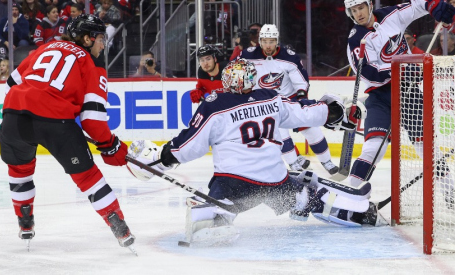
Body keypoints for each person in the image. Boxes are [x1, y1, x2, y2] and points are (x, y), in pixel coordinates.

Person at [126, 59, 380, 245]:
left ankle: (212, 216)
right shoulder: (270, 97)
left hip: (234, 182)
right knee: (307, 197)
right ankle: (361, 213)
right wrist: (337, 111)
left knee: (222, 201)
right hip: (273, 180)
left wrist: (160, 160)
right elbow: (305, 111)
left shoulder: (216, 105)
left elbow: (188, 146)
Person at [0, 14, 135, 252]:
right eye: (100, 38)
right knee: (88, 177)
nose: (103, 44)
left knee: (19, 170)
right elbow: (92, 120)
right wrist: (110, 145)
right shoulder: (93, 65)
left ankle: (25, 223)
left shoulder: (46, 47)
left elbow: (11, 82)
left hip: (13, 115)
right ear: (86, 38)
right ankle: (120, 227)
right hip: (54, 121)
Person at [344, 0, 455, 188]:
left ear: (370, 5)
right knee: (374, 148)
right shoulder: (356, 40)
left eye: (361, 8)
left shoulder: (390, 15)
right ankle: (349, 192)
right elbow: (371, 74)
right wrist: (402, 68)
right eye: (353, 11)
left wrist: (434, 6)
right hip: (380, 97)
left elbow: (416, 6)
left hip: (409, 92)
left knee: (427, 147)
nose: (358, 14)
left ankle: (450, 192)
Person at [238, 24, 338, 175]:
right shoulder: (248, 55)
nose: (268, 45)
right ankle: (294, 164)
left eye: (271, 41)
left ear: (277, 41)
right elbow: (235, 72)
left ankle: (327, 161)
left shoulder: (288, 57)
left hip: (290, 100)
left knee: (311, 130)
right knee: (279, 134)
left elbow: (301, 80)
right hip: (268, 104)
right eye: (265, 41)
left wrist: (301, 96)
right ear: (260, 41)